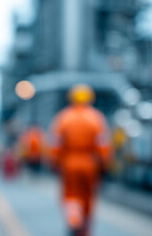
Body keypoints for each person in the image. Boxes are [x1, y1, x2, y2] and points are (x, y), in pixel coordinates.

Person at [51, 84, 112, 236]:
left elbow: (56, 143)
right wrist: (105, 165)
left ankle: (74, 222)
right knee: (88, 196)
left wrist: (55, 162)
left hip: (69, 161)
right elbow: (103, 144)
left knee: (71, 194)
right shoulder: (96, 118)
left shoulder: (63, 118)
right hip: (90, 162)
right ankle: (85, 228)